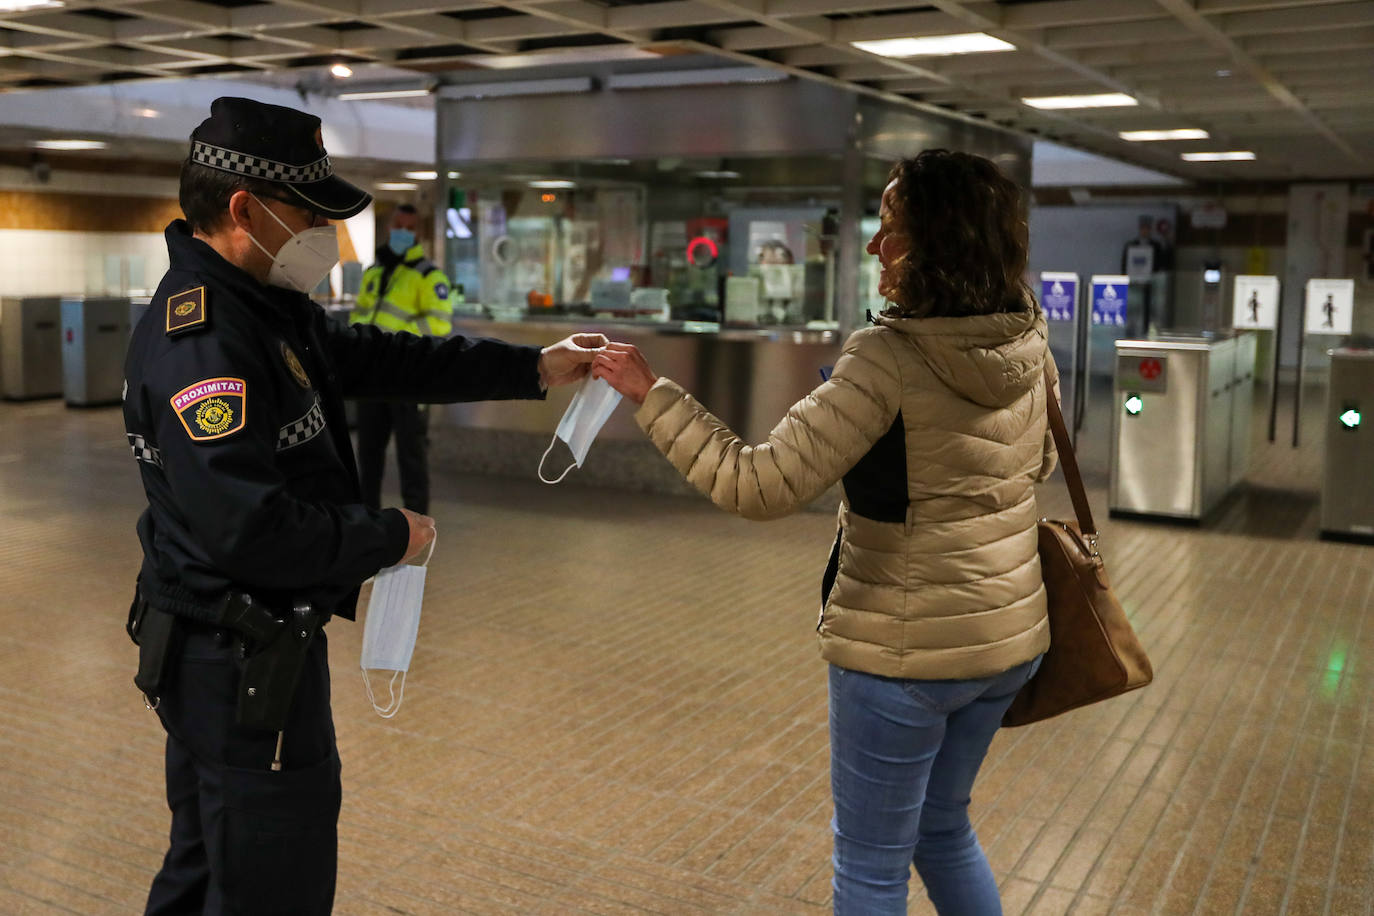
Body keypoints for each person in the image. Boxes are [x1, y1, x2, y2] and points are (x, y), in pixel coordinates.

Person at [122, 96, 604, 915]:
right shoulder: (206, 340)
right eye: (310, 213)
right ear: (244, 210)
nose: (330, 237)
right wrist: (386, 534)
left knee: (209, 864)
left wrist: (534, 370)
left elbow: (386, 357)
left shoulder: (262, 306)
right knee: (272, 877)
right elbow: (251, 528)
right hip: (236, 659)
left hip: (237, 646)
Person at [593, 149, 1057, 915]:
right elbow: (1036, 461)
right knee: (943, 829)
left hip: (902, 652)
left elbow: (758, 484)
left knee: (872, 868)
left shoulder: (886, 358)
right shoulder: (1028, 338)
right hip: (1007, 639)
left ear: (938, 241)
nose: (876, 246)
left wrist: (653, 396)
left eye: (892, 227)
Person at [351, 203, 453, 513]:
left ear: (419, 234)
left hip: (408, 375)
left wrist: (393, 340)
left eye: (409, 228)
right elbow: (360, 314)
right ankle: (365, 516)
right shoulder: (375, 271)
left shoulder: (429, 276)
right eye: (398, 226)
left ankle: (418, 520)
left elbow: (439, 324)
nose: (401, 233)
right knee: (368, 453)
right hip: (371, 375)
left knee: (411, 454)